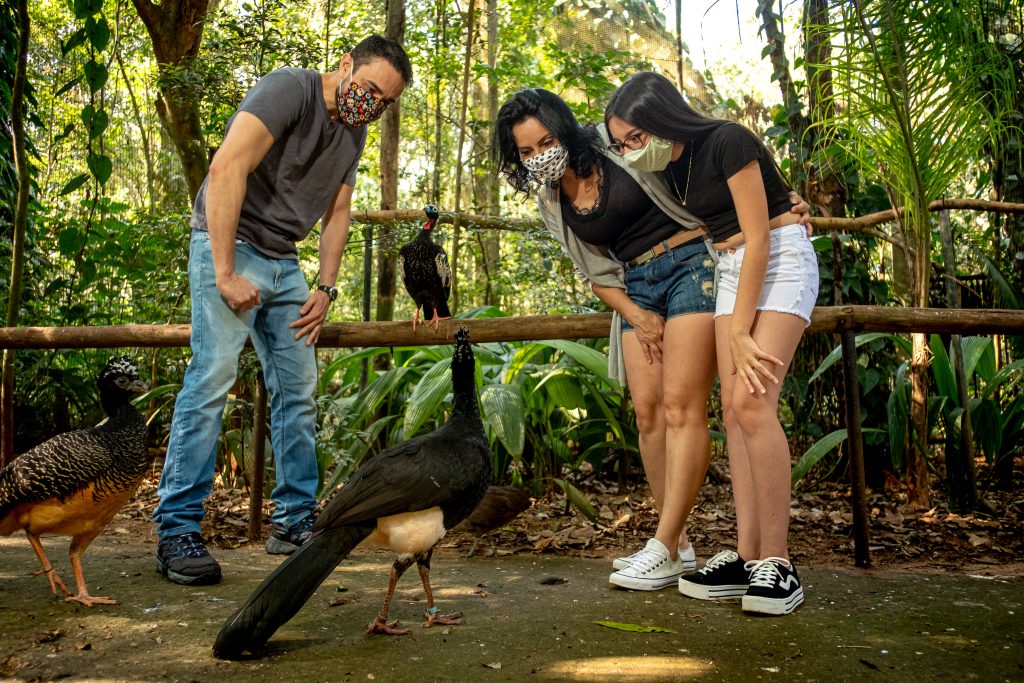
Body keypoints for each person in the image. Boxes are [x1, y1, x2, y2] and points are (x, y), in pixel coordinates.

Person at [491, 89, 809, 592]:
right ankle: (678, 547)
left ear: (565, 131)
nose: (540, 155)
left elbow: (702, 176)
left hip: (694, 265)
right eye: (527, 151)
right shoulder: (550, 198)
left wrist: (776, 204)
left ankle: (663, 543)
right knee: (648, 414)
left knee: (684, 406)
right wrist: (637, 316)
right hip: (635, 286)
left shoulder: (617, 144)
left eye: (546, 141)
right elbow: (594, 272)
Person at [153, 36, 412, 586]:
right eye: (369, 89)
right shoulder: (288, 89)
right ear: (345, 64)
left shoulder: (356, 131)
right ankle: (177, 528)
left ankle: (295, 521)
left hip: (285, 261)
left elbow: (339, 210)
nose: (373, 105)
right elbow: (227, 168)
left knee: (298, 389)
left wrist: (326, 287)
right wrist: (224, 273)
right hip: (229, 242)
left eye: (384, 102)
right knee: (212, 378)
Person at [605, 71, 820, 616]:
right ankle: (749, 558)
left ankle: (780, 560)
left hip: (777, 261)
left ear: (661, 119)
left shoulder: (728, 139)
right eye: (623, 144)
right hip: (728, 266)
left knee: (752, 402)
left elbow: (763, 235)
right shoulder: (671, 168)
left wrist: (742, 330)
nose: (631, 151)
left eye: (636, 137)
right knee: (731, 409)